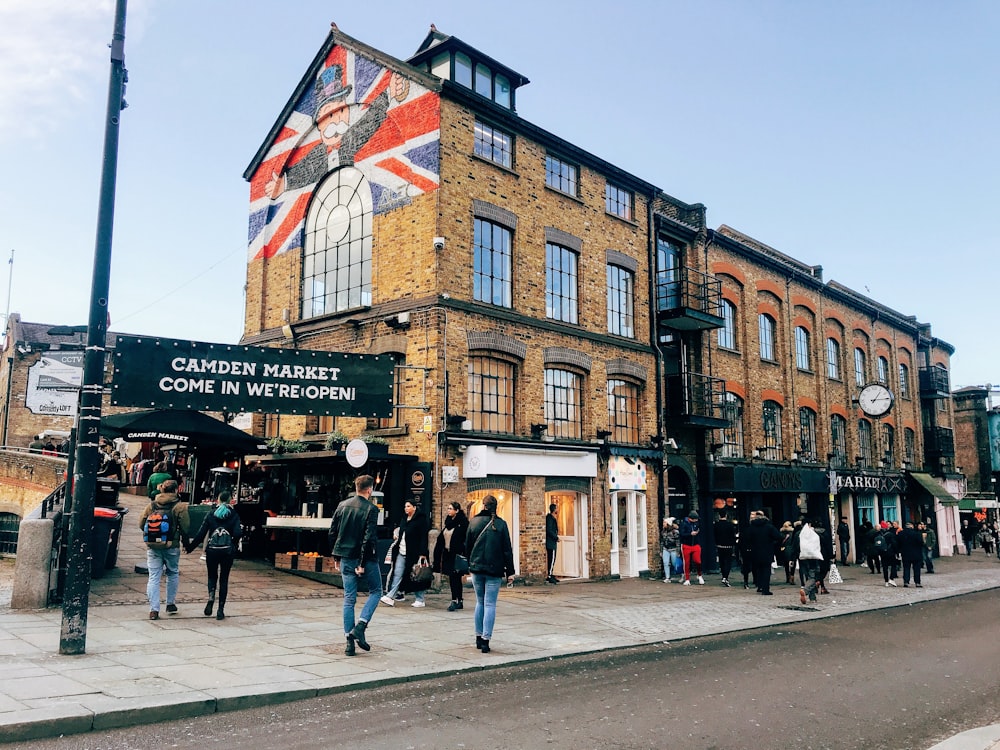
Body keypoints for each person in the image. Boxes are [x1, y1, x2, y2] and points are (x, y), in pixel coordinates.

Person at [328, 474, 382, 656]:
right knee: (376, 591)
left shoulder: (342, 505)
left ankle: (349, 642)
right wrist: (362, 562)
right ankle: (361, 625)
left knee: (349, 599)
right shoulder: (371, 509)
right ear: (369, 489)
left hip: (344, 556)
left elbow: (332, 533)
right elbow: (369, 539)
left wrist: (336, 556)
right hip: (364, 559)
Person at [466, 495, 515, 654]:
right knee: (490, 604)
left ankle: (478, 637)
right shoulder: (501, 524)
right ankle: (486, 640)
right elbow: (507, 550)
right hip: (494, 570)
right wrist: (511, 572)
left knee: (480, 602)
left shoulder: (473, 522)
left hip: (476, 569)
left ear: (483, 505)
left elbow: (467, 546)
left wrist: (470, 563)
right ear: (496, 507)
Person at [138, 479, 190, 620]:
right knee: (172, 573)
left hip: (153, 545)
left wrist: (153, 534)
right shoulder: (179, 506)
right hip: (171, 546)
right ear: (176, 490)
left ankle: (154, 610)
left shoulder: (152, 505)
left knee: (154, 577)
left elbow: (141, 523)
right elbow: (186, 528)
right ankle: (170, 603)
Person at [185, 491, 242, 620]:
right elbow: (238, 533)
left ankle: (211, 597)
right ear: (230, 500)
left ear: (218, 500)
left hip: (212, 550)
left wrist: (190, 548)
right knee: (224, 579)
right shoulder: (233, 515)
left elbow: (201, 534)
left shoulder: (211, 514)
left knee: (212, 576)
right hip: (227, 551)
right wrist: (233, 544)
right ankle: (220, 609)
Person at [381, 499, 430, 608]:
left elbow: (423, 537)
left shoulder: (420, 520)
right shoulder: (404, 518)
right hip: (401, 551)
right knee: (397, 573)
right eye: (405, 506)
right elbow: (401, 531)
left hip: (414, 552)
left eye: (408, 506)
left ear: (414, 507)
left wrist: (423, 553)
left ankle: (420, 599)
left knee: (417, 575)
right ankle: (390, 596)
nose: (406, 508)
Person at [432, 501, 469, 611]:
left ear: (456, 510)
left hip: (457, 555)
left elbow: (465, 540)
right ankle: (459, 600)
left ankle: (455, 600)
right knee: (453, 578)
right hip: (447, 554)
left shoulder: (462, 524)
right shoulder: (448, 523)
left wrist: (463, 551)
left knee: (455, 578)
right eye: (448, 508)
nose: (448, 510)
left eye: (450, 508)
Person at [745, 509, 781, 595]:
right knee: (766, 571)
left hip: (755, 552)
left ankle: (759, 586)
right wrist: (771, 542)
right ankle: (765, 589)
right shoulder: (769, 527)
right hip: (767, 551)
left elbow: (747, 539)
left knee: (758, 570)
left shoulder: (752, 527)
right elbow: (778, 537)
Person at [794, 517, 828, 604]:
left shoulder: (798, 534)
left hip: (802, 558)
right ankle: (805, 591)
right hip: (813, 558)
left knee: (808, 577)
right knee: (813, 577)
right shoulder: (814, 534)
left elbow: (795, 547)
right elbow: (823, 543)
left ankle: (812, 597)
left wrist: (793, 558)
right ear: (809, 524)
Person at [679, 509, 704, 585]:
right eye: (695, 519)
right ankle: (687, 579)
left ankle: (699, 575)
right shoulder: (684, 524)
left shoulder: (697, 523)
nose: (696, 520)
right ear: (690, 518)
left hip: (695, 544)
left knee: (698, 561)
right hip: (686, 545)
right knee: (686, 562)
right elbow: (682, 534)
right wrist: (690, 534)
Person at [713, 509, 737, 587]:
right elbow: (733, 536)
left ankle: (723, 576)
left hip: (720, 546)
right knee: (728, 562)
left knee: (722, 562)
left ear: (719, 516)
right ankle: (725, 577)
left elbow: (714, 536)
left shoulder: (716, 525)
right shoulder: (730, 525)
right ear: (726, 515)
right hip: (728, 546)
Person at [897, 521, 923, 588]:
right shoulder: (917, 534)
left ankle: (906, 581)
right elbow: (921, 543)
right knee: (916, 568)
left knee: (906, 568)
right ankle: (917, 582)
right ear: (912, 526)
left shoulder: (900, 534)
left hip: (905, 554)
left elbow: (898, 544)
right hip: (916, 554)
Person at [877, 521, 899, 586]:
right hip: (890, 552)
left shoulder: (878, 534)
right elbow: (894, 544)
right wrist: (897, 552)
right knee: (893, 565)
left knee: (885, 567)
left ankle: (886, 581)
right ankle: (891, 579)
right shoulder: (890, 534)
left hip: (882, 553)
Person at [660, 517, 680, 582]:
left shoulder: (675, 532)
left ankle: (682, 574)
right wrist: (661, 551)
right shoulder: (663, 531)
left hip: (673, 549)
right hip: (665, 549)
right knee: (665, 563)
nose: (663, 524)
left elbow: (677, 542)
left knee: (675, 563)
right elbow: (662, 541)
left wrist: (678, 551)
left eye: (665, 522)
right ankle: (667, 577)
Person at [545, 503, 559, 584]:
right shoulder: (550, 518)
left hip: (552, 541)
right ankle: (549, 575)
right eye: (557, 508)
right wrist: (556, 537)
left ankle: (551, 573)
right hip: (551, 542)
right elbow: (549, 530)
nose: (557, 509)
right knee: (551, 559)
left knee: (552, 559)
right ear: (554, 509)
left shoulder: (552, 518)